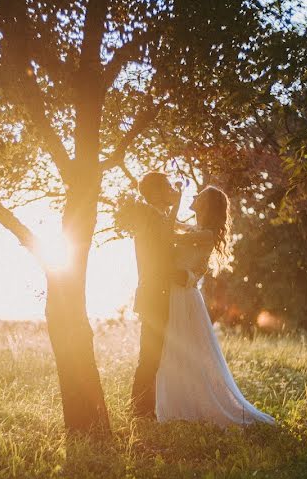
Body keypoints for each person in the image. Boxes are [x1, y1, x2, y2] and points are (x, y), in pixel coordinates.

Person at [155, 186, 275, 427]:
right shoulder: (198, 230)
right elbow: (173, 224)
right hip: (178, 294)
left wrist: (176, 202)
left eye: (198, 196)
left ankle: (194, 409)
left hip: (184, 297)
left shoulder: (206, 234)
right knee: (176, 354)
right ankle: (180, 407)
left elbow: (168, 234)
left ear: (206, 205)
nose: (193, 197)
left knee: (184, 353)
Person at [115, 172, 182, 419]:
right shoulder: (151, 217)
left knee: (155, 354)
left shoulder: (155, 216)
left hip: (155, 293)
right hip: (155, 293)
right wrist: (178, 274)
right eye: (167, 187)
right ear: (154, 193)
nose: (171, 191)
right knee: (151, 355)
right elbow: (162, 252)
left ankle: (146, 407)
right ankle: (140, 410)